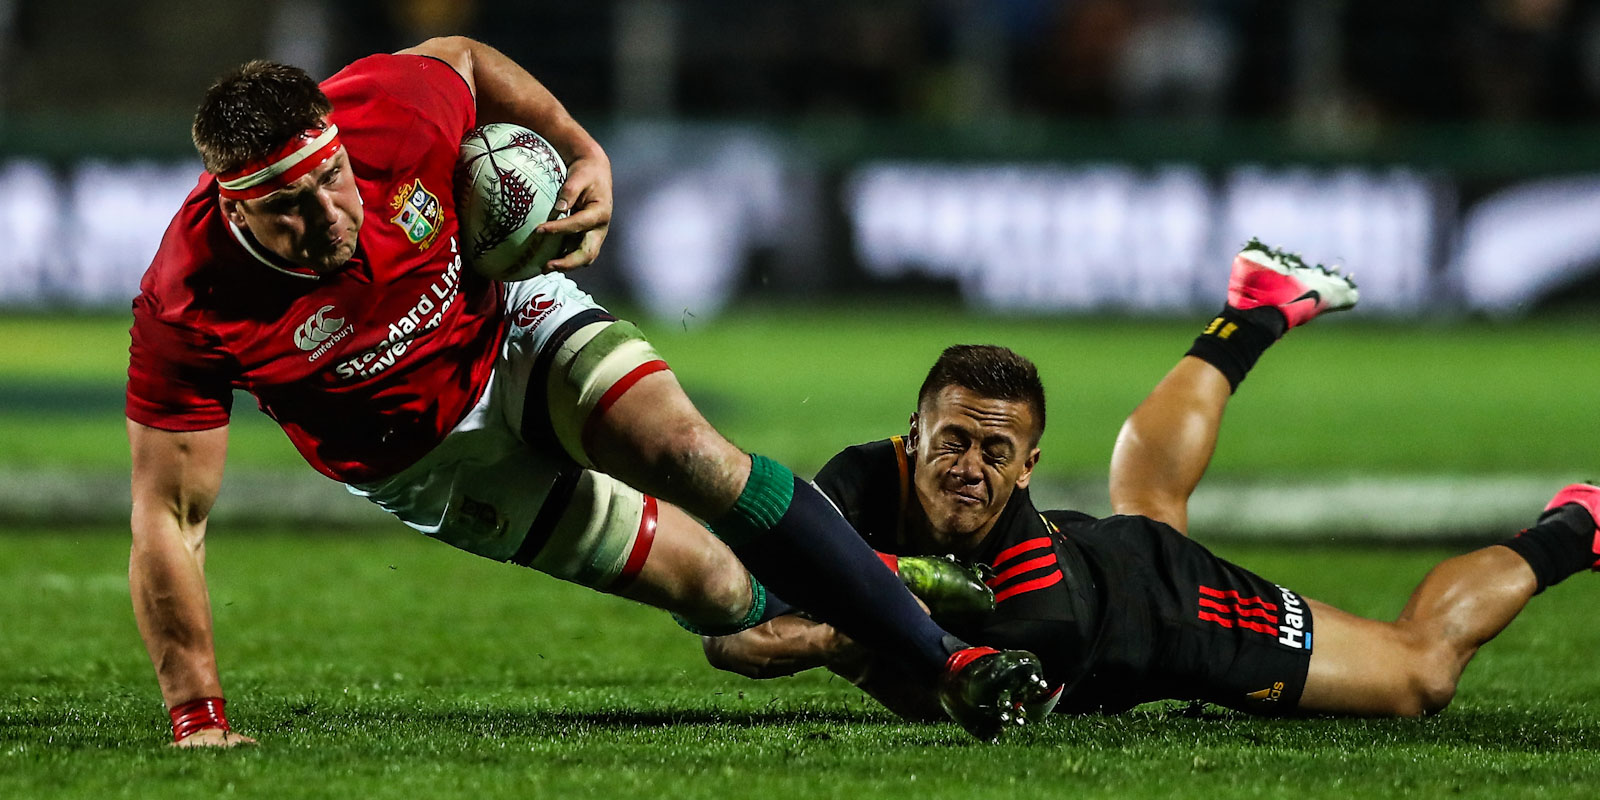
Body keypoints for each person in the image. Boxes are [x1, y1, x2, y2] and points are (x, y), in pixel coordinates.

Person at [126, 36, 1046, 748]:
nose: (327, 213)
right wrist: (196, 716)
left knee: (691, 455)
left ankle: (951, 660)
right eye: (287, 206)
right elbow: (171, 518)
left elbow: (465, 60)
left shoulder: (392, 109)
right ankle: (877, 583)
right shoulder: (187, 302)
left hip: (514, 328)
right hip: (433, 463)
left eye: (329, 176)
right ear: (230, 202)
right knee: (722, 593)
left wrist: (580, 146)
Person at [702, 241, 1600, 720]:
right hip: (1095, 551)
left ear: (1028, 470)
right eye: (951, 441)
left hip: (1163, 609)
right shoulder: (861, 478)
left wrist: (832, 630)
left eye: (996, 453)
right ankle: (1249, 313)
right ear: (911, 433)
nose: (968, 468)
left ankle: (1576, 525)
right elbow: (752, 626)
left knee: (1420, 674)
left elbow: (854, 657)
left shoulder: (1035, 609)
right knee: (1151, 507)